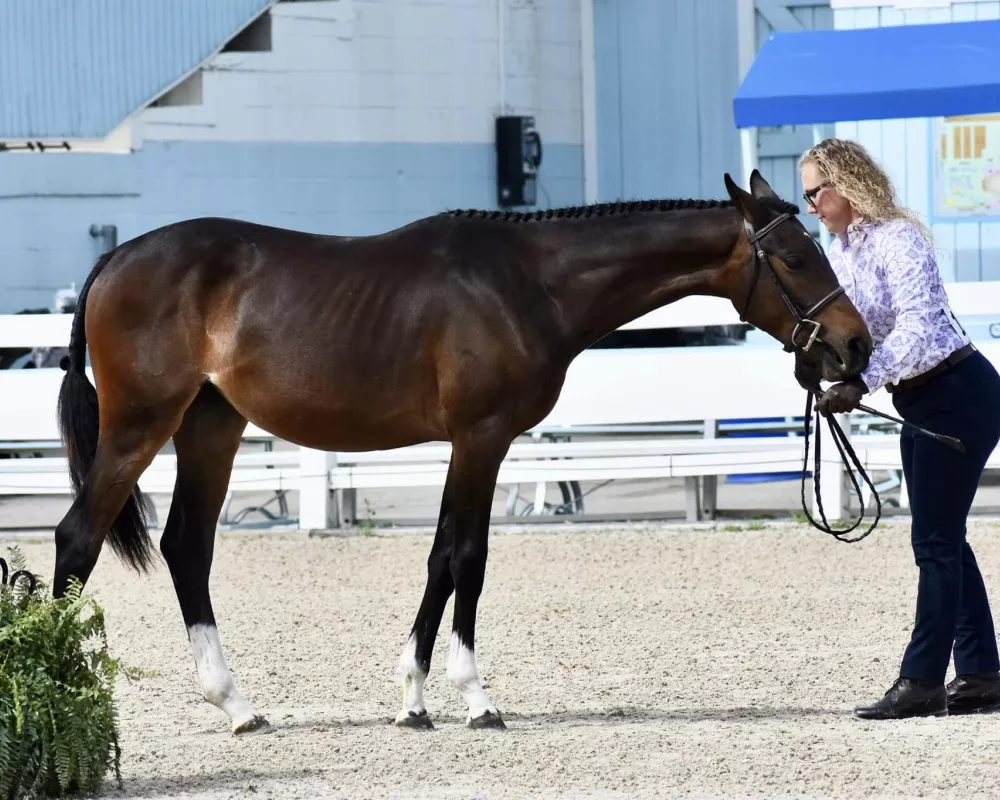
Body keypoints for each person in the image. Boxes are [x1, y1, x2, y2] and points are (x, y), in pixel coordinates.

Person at [798, 138, 1000, 720]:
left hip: (957, 392)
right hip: (921, 399)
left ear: (845, 185)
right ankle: (983, 674)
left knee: (934, 543)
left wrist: (864, 382)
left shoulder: (899, 240)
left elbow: (917, 328)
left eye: (816, 191)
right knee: (946, 538)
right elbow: (845, 328)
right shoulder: (840, 253)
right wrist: (823, 367)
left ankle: (921, 682)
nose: (810, 204)